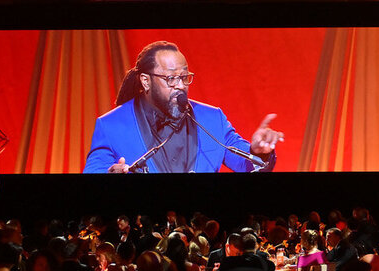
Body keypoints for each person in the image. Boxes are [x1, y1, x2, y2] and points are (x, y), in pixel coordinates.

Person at [83, 40, 284, 173]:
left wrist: (259, 151)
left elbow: (246, 164)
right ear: (146, 81)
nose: (180, 85)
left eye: (183, 77)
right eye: (170, 78)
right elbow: (94, 173)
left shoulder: (212, 118)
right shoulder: (111, 125)